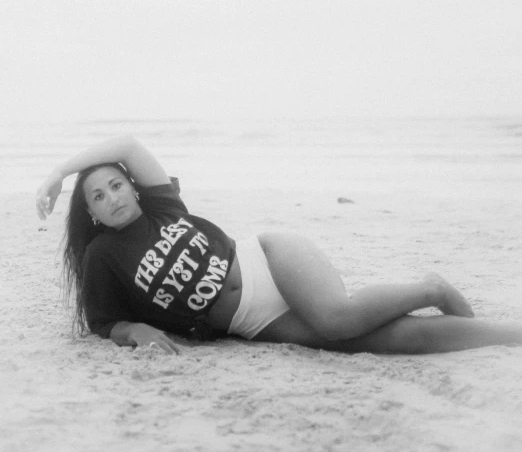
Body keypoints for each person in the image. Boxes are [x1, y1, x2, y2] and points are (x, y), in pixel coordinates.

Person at [36, 135, 522, 356]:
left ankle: (432, 288)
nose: (111, 197)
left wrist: (61, 172)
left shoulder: (163, 207)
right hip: (252, 321)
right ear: (92, 215)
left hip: (267, 258)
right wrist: (135, 330)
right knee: (371, 343)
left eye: (115, 186)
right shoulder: (103, 257)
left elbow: (126, 146)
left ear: (133, 188)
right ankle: (506, 335)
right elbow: (103, 321)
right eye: (97, 197)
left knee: (338, 318)